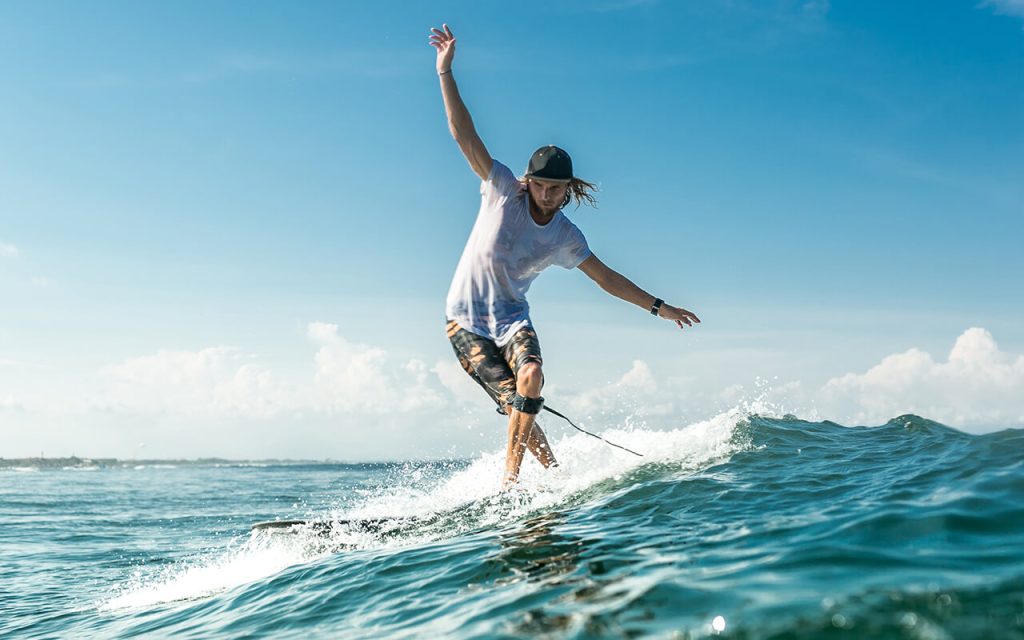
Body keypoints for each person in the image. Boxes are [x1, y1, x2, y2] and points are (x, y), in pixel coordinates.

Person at [430, 24, 700, 486]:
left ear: (568, 189)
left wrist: (658, 307)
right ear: (528, 181)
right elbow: (463, 134)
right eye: (542, 186)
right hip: (465, 322)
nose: (550, 196)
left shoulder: (564, 235)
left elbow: (606, 278)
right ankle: (530, 480)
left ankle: (516, 481)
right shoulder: (500, 190)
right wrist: (446, 72)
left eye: (558, 189)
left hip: (512, 320)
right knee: (512, 400)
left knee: (530, 379)